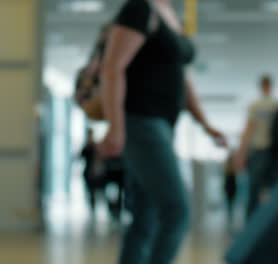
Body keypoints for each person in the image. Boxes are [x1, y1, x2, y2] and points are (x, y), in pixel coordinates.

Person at [98, 0, 227, 263]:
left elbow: (180, 78)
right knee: (177, 211)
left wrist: (205, 124)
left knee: (145, 216)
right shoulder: (140, 9)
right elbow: (113, 67)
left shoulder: (168, 14)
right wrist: (115, 127)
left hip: (162, 126)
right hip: (141, 122)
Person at [235, 75, 278, 218]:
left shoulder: (255, 106)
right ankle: (275, 221)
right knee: (276, 189)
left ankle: (251, 223)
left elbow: (248, 131)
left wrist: (241, 155)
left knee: (254, 190)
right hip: (276, 153)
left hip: (259, 151)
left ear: (261, 87)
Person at [81, 129, 98, 213]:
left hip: (95, 172)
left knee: (95, 190)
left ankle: (94, 205)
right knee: (91, 191)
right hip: (87, 171)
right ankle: (92, 206)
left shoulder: (96, 147)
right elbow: (81, 156)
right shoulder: (86, 146)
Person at [224, 151, 238, 232]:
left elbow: (227, 185)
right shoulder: (231, 174)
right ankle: (230, 221)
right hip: (231, 193)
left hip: (230, 193)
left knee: (230, 208)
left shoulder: (229, 174)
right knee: (231, 208)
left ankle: (230, 221)